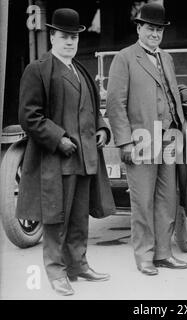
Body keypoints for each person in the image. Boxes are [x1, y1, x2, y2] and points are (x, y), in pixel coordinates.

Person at [17, 8, 115, 296]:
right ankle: (56, 272)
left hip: (84, 158)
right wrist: (58, 138)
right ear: (52, 36)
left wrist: (102, 128)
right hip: (55, 159)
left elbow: (92, 109)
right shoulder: (39, 69)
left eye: (74, 37)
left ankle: (78, 265)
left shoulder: (79, 69)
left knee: (78, 217)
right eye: (64, 36)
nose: (70, 42)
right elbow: (29, 116)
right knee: (55, 217)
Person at [106, 2, 187, 276]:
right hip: (140, 141)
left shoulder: (166, 57)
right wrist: (125, 141)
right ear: (139, 28)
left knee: (167, 199)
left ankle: (164, 253)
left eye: (159, 29)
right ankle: (144, 256)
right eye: (150, 28)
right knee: (142, 202)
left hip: (169, 137)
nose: (155, 34)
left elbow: (170, 93)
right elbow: (116, 104)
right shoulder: (125, 57)